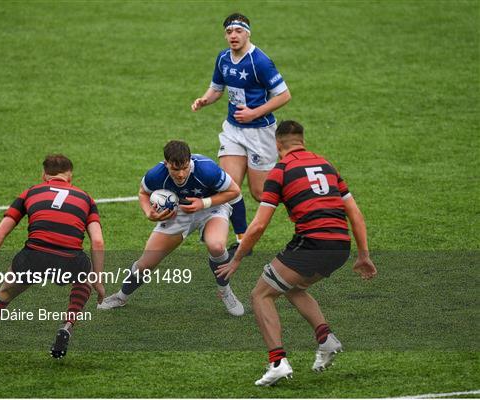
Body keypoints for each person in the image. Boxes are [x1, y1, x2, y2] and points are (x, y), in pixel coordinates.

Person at [216, 121, 377, 386]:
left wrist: (237, 258)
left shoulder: (280, 171)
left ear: (277, 145)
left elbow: (258, 225)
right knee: (290, 286)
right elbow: (356, 215)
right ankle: (326, 339)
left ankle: (277, 362)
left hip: (312, 243)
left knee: (260, 295)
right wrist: (363, 255)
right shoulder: (328, 166)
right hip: (340, 245)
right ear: (302, 140)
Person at [0, 154, 105, 359]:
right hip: (70, 260)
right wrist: (98, 280)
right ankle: (67, 324)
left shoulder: (30, 193)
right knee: (85, 276)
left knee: (4, 295)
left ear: (44, 175)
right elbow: (97, 242)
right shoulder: (86, 198)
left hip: (32, 258)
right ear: (70, 176)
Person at [98, 140, 245, 316]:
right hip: (179, 213)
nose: (181, 174)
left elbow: (234, 191)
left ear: (190, 160)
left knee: (217, 246)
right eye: (175, 169)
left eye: (184, 168)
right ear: (166, 163)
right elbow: (143, 193)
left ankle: (225, 291)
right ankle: (121, 296)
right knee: (145, 264)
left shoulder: (207, 169)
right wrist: (148, 212)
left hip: (212, 207)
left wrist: (203, 202)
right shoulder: (156, 175)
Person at [191, 12, 292, 253]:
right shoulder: (223, 58)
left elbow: (284, 95)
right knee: (228, 187)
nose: (233, 36)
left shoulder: (260, 62)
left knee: (260, 193)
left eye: (238, 31)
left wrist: (254, 113)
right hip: (233, 130)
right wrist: (205, 100)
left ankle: (301, 206)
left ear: (248, 33)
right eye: (229, 32)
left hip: (260, 133)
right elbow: (216, 88)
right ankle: (242, 239)